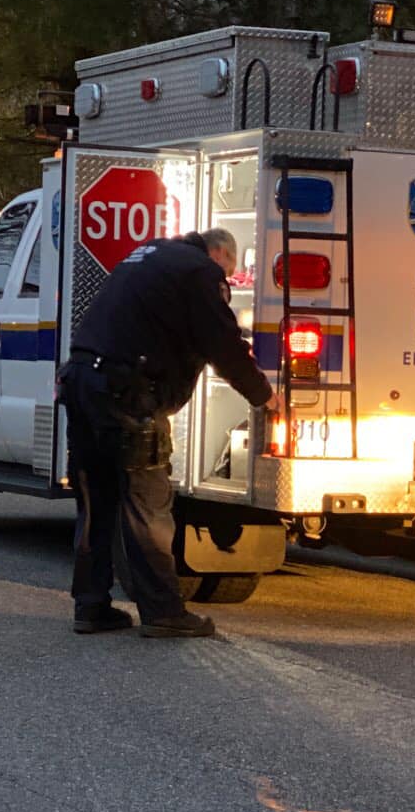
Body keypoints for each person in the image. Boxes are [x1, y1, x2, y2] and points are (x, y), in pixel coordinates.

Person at [58, 228, 273, 638]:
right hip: (128, 395)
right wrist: (264, 397)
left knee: (96, 503)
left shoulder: (148, 255)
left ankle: (91, 606)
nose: (227, 279)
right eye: (228, 270)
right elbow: (222, 345)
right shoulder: (199, 271)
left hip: (83, 383)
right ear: (220, 253)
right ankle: (163, 612)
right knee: (148, 506)